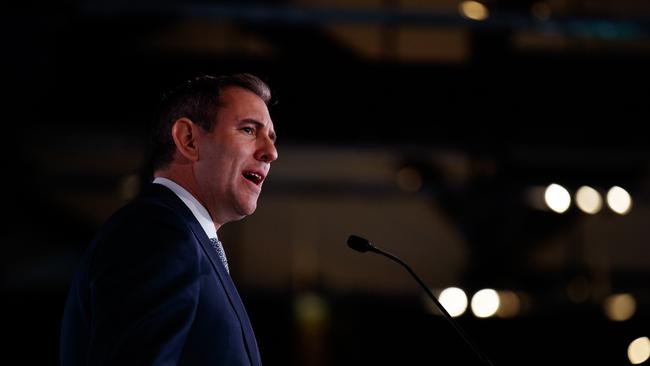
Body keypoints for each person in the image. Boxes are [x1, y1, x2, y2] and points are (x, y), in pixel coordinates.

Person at [60, 73, 278, 365]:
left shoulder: (183, 238)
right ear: (188, 139)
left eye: (272, 138)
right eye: (249, 130)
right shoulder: (158, 234)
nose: (271, 152)